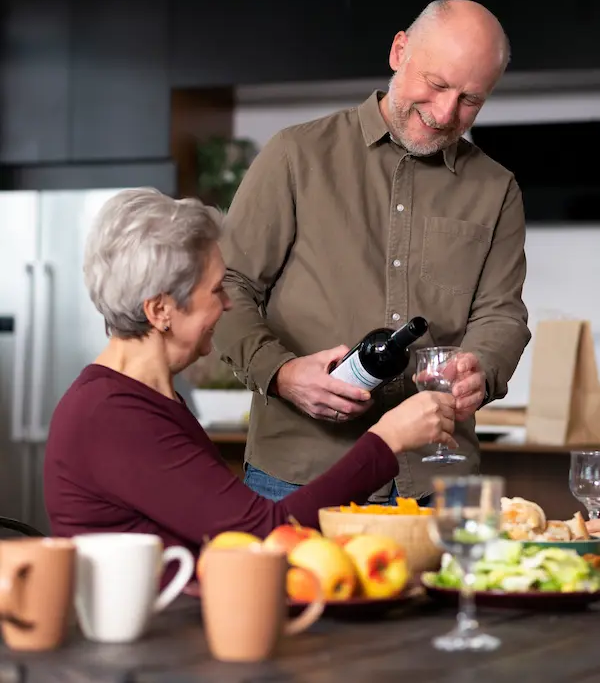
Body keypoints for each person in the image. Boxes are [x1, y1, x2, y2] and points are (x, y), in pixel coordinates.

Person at [213, 0, 531, 505]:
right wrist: (282, 374)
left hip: (437, 478)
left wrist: (483, 367)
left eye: (471, 100)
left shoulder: (497, 188)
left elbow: (502, 314)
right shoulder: (296, 155)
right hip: (301, 472)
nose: (447, 113)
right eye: (438, 84)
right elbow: (227, 285)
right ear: (399, 50)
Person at [44, 188, 457, 561]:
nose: (227, 305)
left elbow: (228, 525)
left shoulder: (144, 397)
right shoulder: (111, 415)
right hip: (155, 637)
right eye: (216, 290)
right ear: (160, 310)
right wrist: (387, 442)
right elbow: (262, 532)